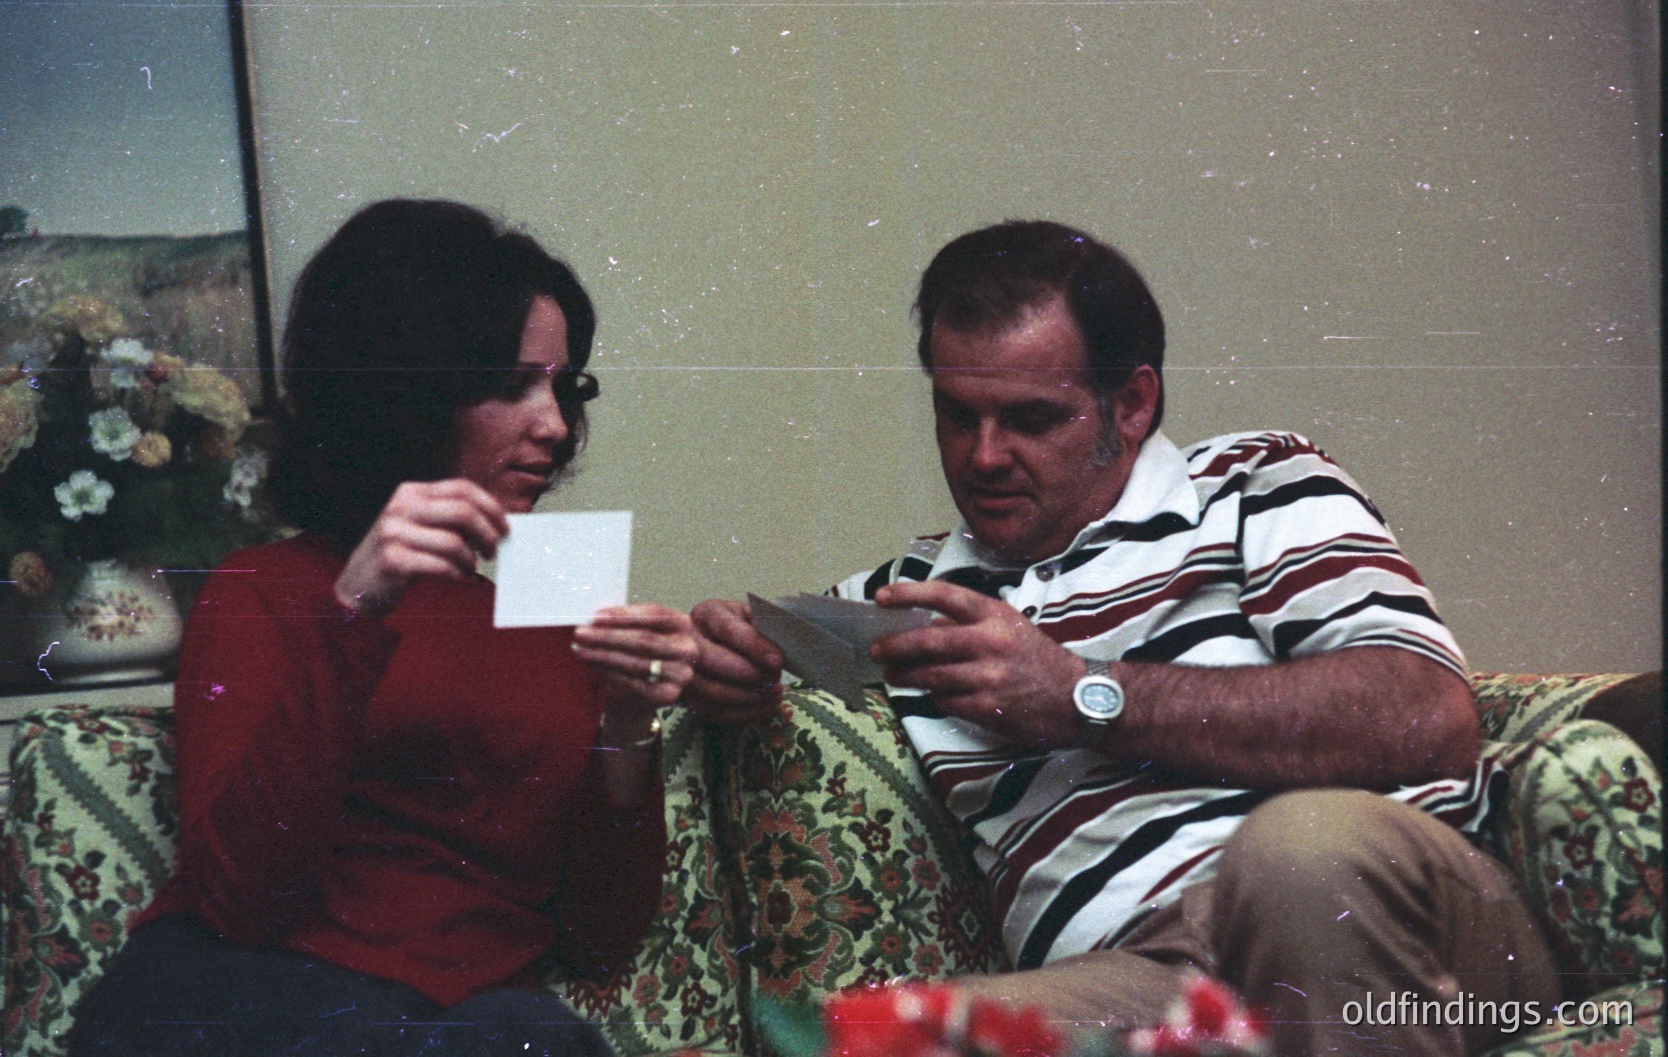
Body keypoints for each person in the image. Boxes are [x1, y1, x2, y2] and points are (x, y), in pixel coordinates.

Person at [687, 220, 1560, 1056]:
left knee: (1297, 855)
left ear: (1133, 402)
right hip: (1146, 975)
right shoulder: (910, 598)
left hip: (1380, 913)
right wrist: (729, 657)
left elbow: (1428, 715)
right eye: (957, 415)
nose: (983, 457)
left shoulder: (1256, 485)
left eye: (1031, 420)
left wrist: (1080, 693)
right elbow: (747, 639)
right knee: (885, 1042)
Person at [71, 200, 697, 1057]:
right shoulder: (267, 587)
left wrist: (629, 722)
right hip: (244, 999)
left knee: (532, 1035)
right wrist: (355, 610)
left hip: (466, 1029)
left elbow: (599, 942)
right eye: (510, 384)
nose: (555, 426)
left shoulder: (552, 619)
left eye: (564, 388)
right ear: (403, 392)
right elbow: (241, 906)